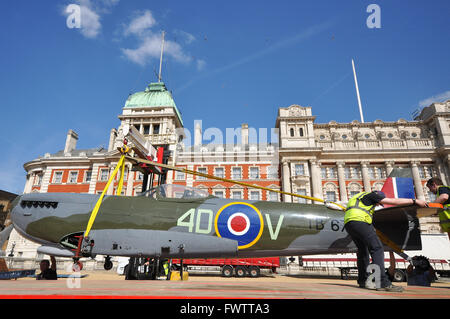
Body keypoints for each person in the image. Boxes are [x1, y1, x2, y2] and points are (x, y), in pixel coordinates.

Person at [344, 190, 427, 292]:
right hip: (360, 221)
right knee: (377, 248)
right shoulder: (374, 195)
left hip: (349, 224)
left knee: (363, 252)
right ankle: (382, 282)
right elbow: (392, 201)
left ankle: (363, 280)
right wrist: (414, 201)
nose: (379, 204)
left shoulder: (357, 197)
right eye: (380, 202)